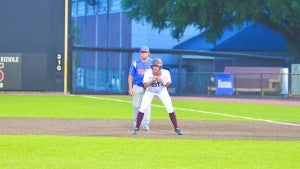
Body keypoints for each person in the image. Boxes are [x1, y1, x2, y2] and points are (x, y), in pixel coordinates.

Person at [132, 58, 183, 135]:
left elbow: (168, 86)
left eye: (157, 66)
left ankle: (177, 129)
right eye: (154, 66)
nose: (155, 68)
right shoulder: (148, 73)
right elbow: (144, 86)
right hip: (150, 91)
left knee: (169, 108)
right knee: (143, 107)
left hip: (162, 91)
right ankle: (136, 128)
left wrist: (162, 81)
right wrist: (151, 81)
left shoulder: (166, 73)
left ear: (160, 67)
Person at [128, 46, 152, 131]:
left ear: (148, 53)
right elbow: (130, 76)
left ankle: (145, 123)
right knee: (136, 105)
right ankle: (136, 123)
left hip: (148, 87)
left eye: (145, 52)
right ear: (140, 53)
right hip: (137, 86)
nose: (143, 53)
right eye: (142, 52)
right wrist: (130, 88)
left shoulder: (152, 63)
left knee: (147, 106)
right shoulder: (135, 63)